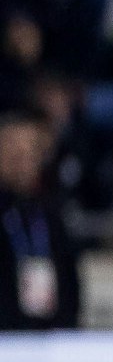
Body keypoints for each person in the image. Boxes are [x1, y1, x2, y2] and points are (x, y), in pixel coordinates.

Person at [0, 112, 79, 328]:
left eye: (30, 153)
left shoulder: (50, 212)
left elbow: (70, 280)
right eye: (15, 152)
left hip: (49, 337)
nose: (23, 162)